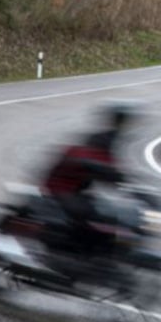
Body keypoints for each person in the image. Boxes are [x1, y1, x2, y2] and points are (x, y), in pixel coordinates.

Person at [38, 103, 136, 256]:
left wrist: (130, 185)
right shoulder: (98, 142)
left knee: (111, 211)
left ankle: (96, 253)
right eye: (123, 119)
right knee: (90, 215)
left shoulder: (112, 138)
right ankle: (76, 252)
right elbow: (98, 164)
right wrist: (112, 175)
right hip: (62, 188)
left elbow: (111, 170)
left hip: (78, 188)